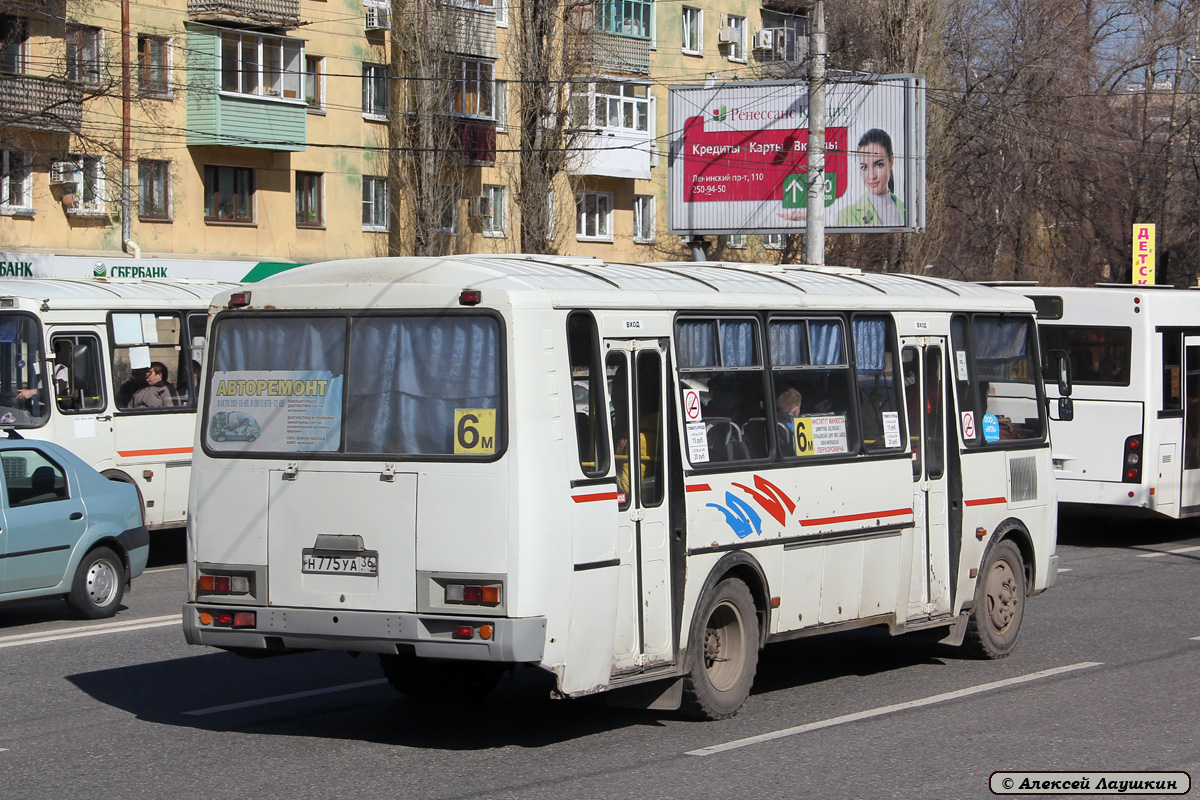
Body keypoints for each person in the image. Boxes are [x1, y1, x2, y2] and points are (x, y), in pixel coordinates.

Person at [836, 128, 905, 227]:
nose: (871, 176)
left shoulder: (907, 211)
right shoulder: (846, 216)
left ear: (891, 161)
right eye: (864, 167)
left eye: (879, 165)